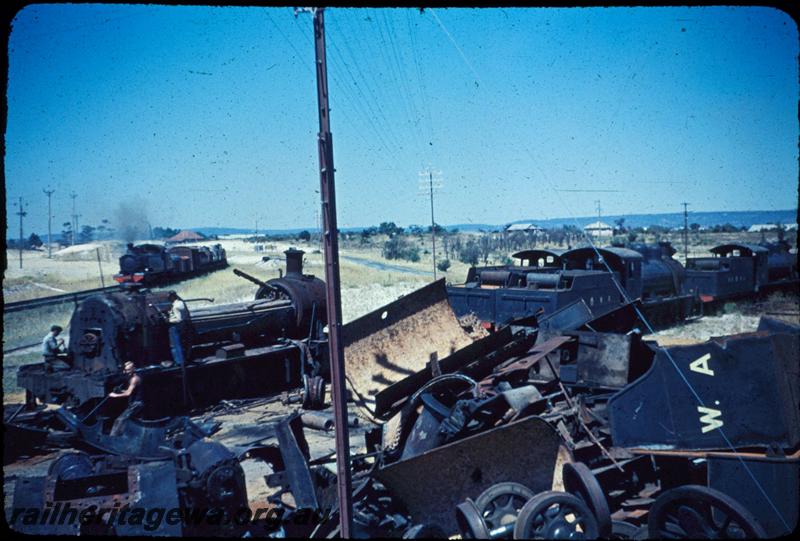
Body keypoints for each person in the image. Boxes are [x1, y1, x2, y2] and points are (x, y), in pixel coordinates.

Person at [109, 361, 143, 436]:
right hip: (134, 403)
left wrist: (115, 395)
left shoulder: (134, 379)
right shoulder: (131, 378)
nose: (126, 372)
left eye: (128, 370)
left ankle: (114, 437)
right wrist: (120, 391)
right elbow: (131, 391)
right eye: (125, 370)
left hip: (136, 404)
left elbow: (128, 393)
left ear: (133, 369)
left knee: (120, 420)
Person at [167, 291, 191, 364]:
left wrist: (169, 320)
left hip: (177, 326)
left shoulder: (176, 306)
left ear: (172, 297)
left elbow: (179, 319)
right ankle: (184, 359)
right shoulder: (181, 303)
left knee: (176, 344)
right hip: (184, 325)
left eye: (169, 297)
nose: (168, 299)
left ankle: (180, 361)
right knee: (183, 343)